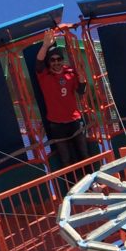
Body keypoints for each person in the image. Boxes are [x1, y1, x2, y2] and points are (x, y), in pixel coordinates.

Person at [34, 32, 90, 172]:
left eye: (59, 59)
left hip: (74, 121)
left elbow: (81, 92)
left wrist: (82, 80)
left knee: (84, 154)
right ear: (49, 62)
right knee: (66, 159)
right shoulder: (44, 75)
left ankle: (92, 184)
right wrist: (46, 45)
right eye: (53, 60)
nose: (56, 62)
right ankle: (74, 185)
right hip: (57, 124)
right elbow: (39, 63)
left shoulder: (70, 72)